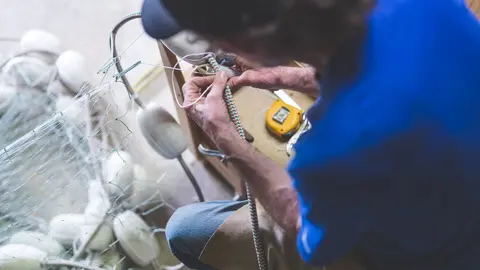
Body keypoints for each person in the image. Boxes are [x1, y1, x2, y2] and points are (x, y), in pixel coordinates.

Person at [141, 0, 480, 269]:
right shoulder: (426, 5)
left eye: (216, 41)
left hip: (447, 254)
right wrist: (296, 77)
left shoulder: (333, 152)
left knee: (184, 230)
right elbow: (396, 74)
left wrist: (225, 137)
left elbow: (302, 226)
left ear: (247, 44)